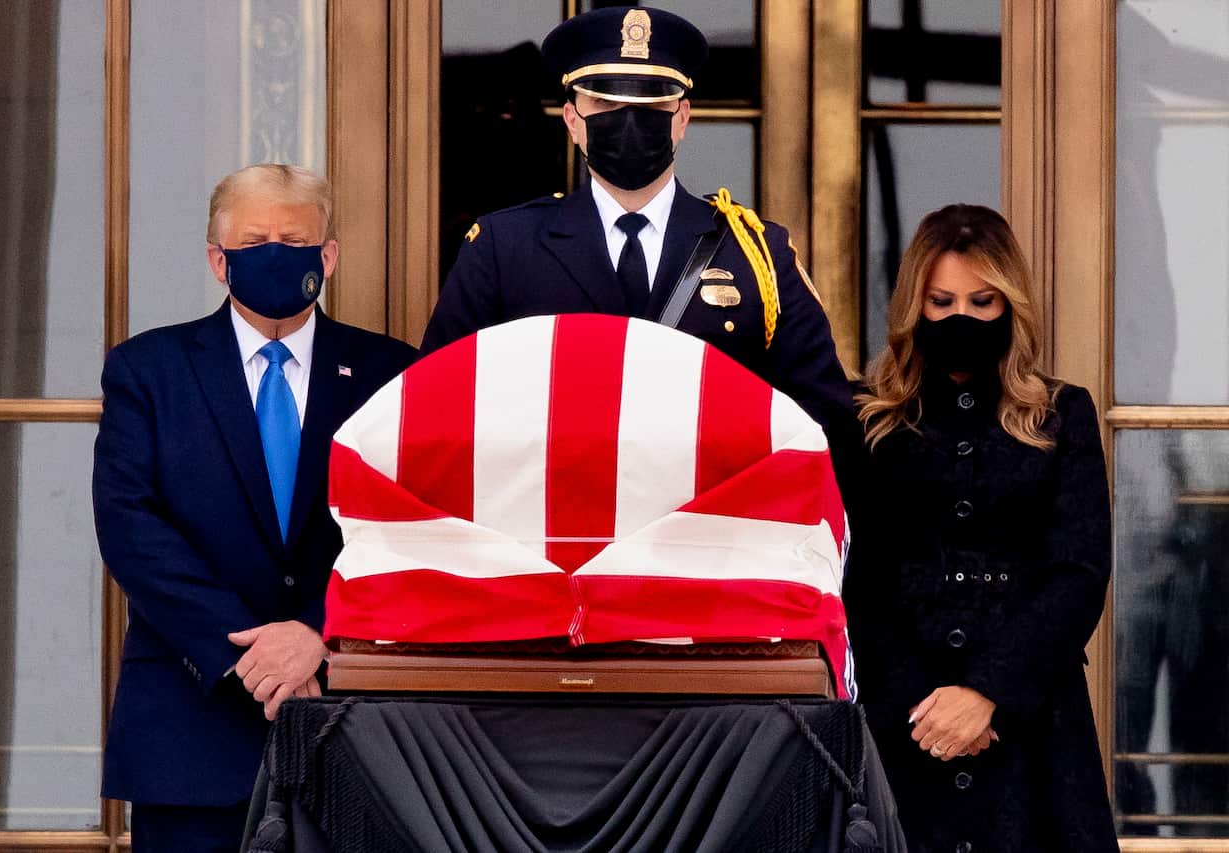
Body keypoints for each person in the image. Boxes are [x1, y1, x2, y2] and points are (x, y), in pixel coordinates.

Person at [92, 164, 416, 852]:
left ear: (327, 255)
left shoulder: (392, 372)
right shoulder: (148, 369)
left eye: (295, 238)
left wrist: (315, 634)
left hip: (350, 723)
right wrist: (247, 651)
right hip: (190, 726)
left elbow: (408, 529)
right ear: (218, 260)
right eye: (256, 239)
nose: (277, 251)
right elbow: (129, 526)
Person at [422, 6, 853, 446]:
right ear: (572, 120)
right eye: (605, 102)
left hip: (707, 511)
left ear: (682, 117)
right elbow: (435, 407)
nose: (629, 118)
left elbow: (822, 421)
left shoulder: (757, 254)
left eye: (651, 101)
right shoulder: (503, 248)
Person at [845, 204, 1118, 852]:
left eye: (982, 300)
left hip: (1033, 728)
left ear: (1010, 305)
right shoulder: (863, 420)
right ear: (916, 305)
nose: (960, 316)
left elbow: (1078, 570)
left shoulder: (1060, 413)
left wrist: (988, 690)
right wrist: (926, 707)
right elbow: (853, 572)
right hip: (899, 724)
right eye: (941, 301)